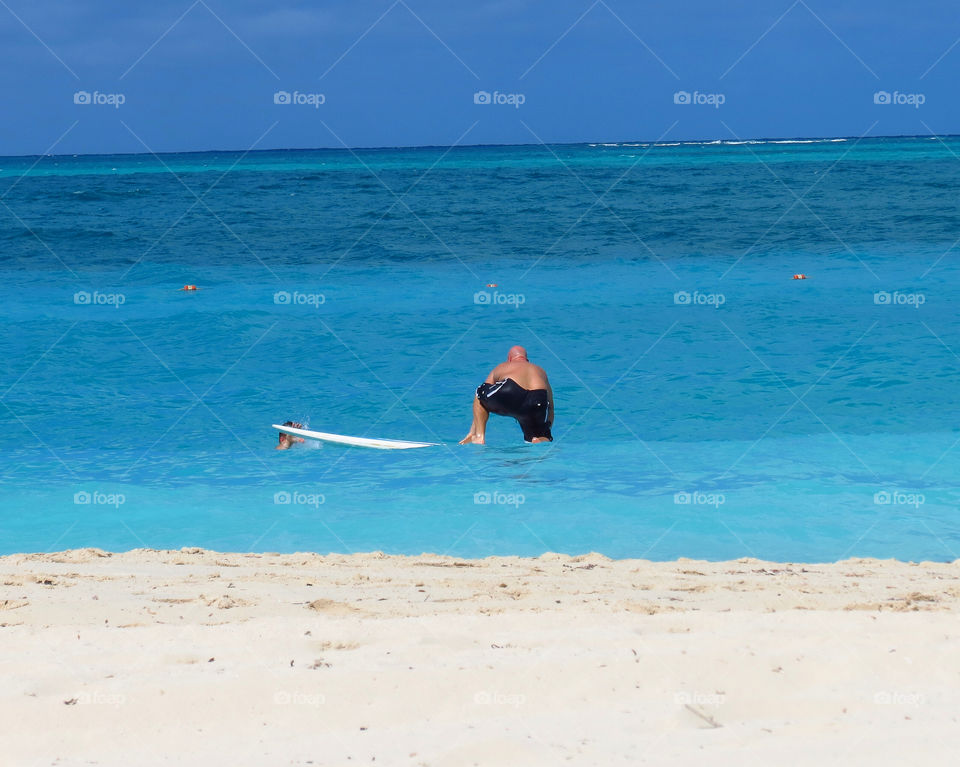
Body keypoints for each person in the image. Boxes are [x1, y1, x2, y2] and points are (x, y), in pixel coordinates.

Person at [460, 346, 554, 445]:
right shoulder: (541, 371)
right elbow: (551, 407)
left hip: (512, 391)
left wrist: (472, 431)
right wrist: (545, 430)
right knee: (536, 437)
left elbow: (482, 396)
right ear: (527, 360)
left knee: (480, 392)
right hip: (537, 399)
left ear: (509, 359)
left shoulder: (504, 365)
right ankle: (539, 439)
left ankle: (479, 436)